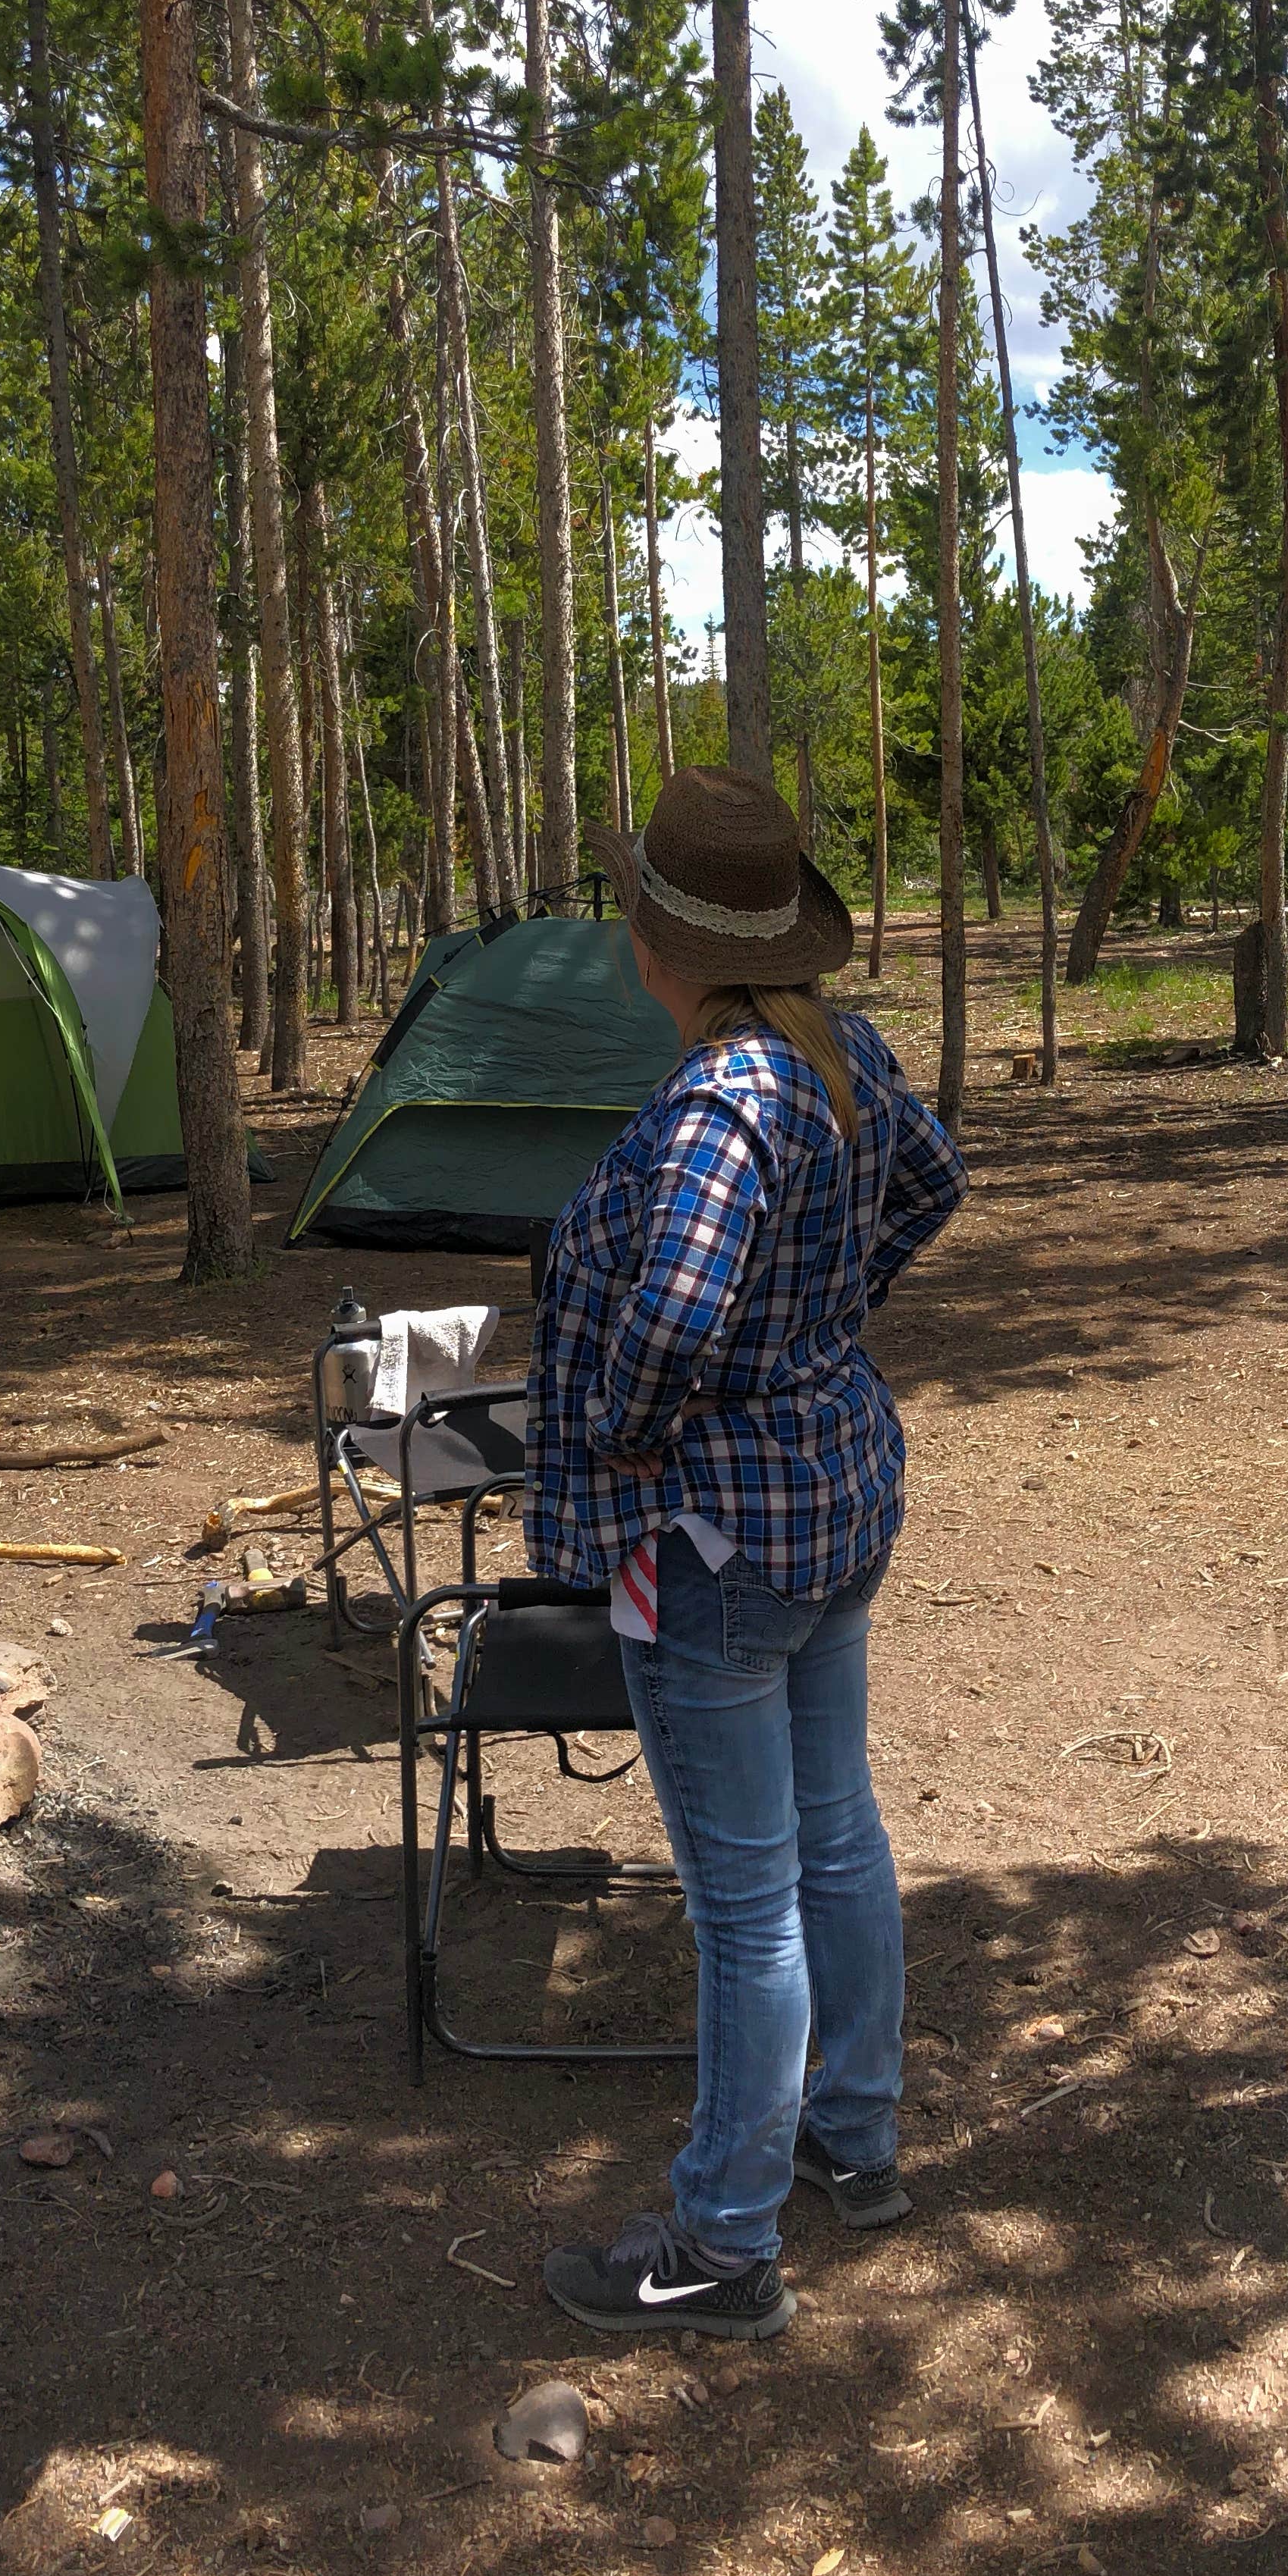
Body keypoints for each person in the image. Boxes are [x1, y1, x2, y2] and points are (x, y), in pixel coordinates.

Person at [527, 766, 963, 2340]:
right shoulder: (842, 1057)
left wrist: (644, 1415)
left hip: (710, 1539)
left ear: (659, 943)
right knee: (834, 1835)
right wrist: (827, 1318)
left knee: (746, 1901)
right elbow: (933, 1179)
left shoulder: (718, 1102)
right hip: (830, 1501)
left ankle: (720, 2244)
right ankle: (856, 2137)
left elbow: (675, 1309)